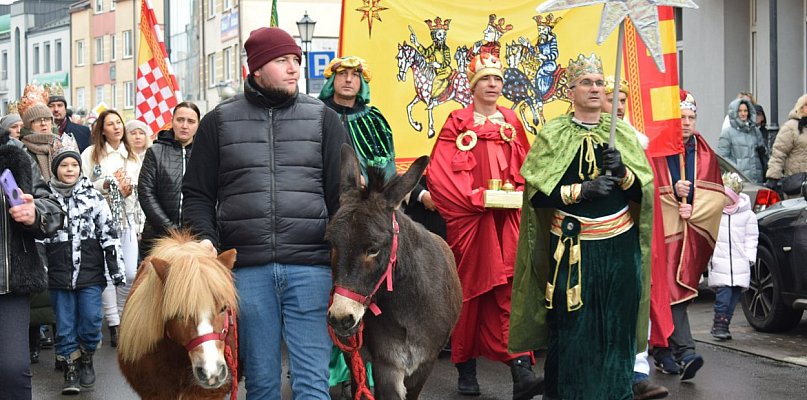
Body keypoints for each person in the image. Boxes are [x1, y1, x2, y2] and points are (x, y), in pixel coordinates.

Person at [182, 26, 349, 399]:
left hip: (312, 267)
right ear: (256, 69)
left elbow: (343, 198)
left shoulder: (324, 119)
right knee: (261, 384)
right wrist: (206, 240)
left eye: (296, 61)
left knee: (311, 383)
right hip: (246, 271)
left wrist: (344, 264)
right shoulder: (218, 122)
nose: (294, 68)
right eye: (282, 61)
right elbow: (196, 194)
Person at [509, 54, 654, 400]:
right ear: (570, 90)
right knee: (574, 332)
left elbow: (642, 193)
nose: (594, 89)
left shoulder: (622, 135)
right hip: (572, 251)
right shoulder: (553, 133)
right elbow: (538, 197)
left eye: (599, 82)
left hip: (619, 249)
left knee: (615, 330)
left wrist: (623, 173)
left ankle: (615, 393)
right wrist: (580, 191)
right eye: (586, 83)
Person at [428, 53, 543, 400]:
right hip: (472, 222)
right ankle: (465, 367)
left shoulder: (511, 120)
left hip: (507, 220)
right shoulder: (457, 121)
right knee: (471, 293)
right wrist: (475, 199)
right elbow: (441, 172)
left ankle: (521, 369)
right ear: (473, 85)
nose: (493, 85)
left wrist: (521, 192)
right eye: (486, 80)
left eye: (498, 79)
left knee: (510, 291)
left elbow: (528, 165)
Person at [602, 77, 671, 400]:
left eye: (621, 100)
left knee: (634, 302)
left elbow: (646, 190)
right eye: (610, 98)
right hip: (590, 236)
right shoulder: (575, 136)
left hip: (629, 233)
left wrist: (626, 175)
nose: (617, 105)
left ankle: (637, 372)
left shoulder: (635, 142)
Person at [41, 133, 126, 394]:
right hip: (58, 274)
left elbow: (109, 234)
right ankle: (71, 369)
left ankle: (87, 355)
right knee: (65, 326)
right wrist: (42, 269)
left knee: (90, 321)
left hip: (90, 273)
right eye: (64, 165)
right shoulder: (46, 200)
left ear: (80, 167)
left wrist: (115, 268)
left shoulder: (94, 198)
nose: (70, 169)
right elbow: (39, 238)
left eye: (74, 165)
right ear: (56, 168)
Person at [649, 90, 724, 381]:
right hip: (663, 231)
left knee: (673, 290)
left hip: (688, 233)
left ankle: (663, 349)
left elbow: (715, 194)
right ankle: (685, 352)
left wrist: (691, 200)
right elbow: (648, 188)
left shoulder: (704, 152)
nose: (686, 123)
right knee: (668, 289)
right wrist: (671, 195)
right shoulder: (658, 149)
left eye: (691, 118)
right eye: (681, 117)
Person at [1, 122, 63, 400]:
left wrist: (34, 213)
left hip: (10, 283)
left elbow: (51, 206)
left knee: (12, 370)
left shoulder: (14, 155)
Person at [80, 109, 141, 347]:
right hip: (100, 220)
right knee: (107, 271)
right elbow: (84, 184)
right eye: (110, 124)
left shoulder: (132, 156)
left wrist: (129, 189)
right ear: (101, 129)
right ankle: (115, 324)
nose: (116, 127)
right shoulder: (91, 155)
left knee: (129, 273)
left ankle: (123, 314)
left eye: (119, 123)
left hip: (127, 219)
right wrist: (106, 184)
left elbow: (140, 190)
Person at [137, 102, 198, 258]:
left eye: (191, 121)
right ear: (172, 122)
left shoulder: (205, 153)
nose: (185, 125)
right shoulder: (155, 152)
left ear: (198, 125)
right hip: (158, 236)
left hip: (195, 238)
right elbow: (146, 192)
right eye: (180, 120)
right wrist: (170, 229)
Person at [708, 172, 758, 341]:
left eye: (727, 196)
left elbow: (751, 237)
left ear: (734, 197)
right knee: (723, 295)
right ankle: (718, 324)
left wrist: (750, 257)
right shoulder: (715, 213)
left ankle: (725, 324)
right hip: (720, 261)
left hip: (740, 263)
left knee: (734, 296)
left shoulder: (747, 215)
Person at [717, 98, 765, 183]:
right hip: (737, 181)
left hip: (758, 180)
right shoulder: (727, 133)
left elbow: (763, 155)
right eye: (740, 111)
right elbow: (722, 159)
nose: (743, 114)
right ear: (734, 113)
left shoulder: (755, 131)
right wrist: (736, 172)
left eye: (745, 111)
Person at [765, 94, 807, 188]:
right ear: (801, 107)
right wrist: (773, 177)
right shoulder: (790, 127)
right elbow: (779, 153)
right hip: (797, 183)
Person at [46, 83, 91, 152]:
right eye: (51, 106)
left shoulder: (83, 132)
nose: (56, 109)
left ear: (65, 108)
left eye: (60, 105)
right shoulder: (40, 134)